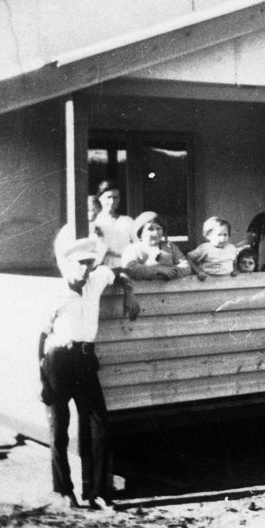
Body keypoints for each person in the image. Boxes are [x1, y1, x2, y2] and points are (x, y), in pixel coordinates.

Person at [39, 236, 140, 511]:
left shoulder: (96, 280)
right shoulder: (56, 293)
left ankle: (96, 492)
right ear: (67, 265)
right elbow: (41, 336)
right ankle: (63, 491)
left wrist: (128, 290)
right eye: (79, 264)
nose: (84, 269)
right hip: (58, 361)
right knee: (59, 429)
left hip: (85, 360)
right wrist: (43, 380)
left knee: (98, 425)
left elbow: (118, 272)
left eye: (88, 263)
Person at [120, 211, 194, 280]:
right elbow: (130, 268)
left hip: (168, 290)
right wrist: (158, 269)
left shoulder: (169, 246)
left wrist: (170, 272)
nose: (155, 233)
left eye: (158, 228)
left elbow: (186, 267)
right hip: (142, 291)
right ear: (140, 234)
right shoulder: (132, 249)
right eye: (150, 229)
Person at [54, 195, 104, 276]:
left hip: (89, 269)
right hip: (71, 268)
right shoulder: (69, 229)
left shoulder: (96, 229)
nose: (91, 215)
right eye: (89, 210)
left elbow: (100, 251)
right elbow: (63, 253)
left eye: (95, 214)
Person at [92, 181, 134, 268]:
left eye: (115, 197)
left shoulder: (127, 221)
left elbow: (135, 246)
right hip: (100, 268)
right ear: (99, 198)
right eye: (108, 197)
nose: (112, 201)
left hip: (126, 267)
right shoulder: (95, 221)